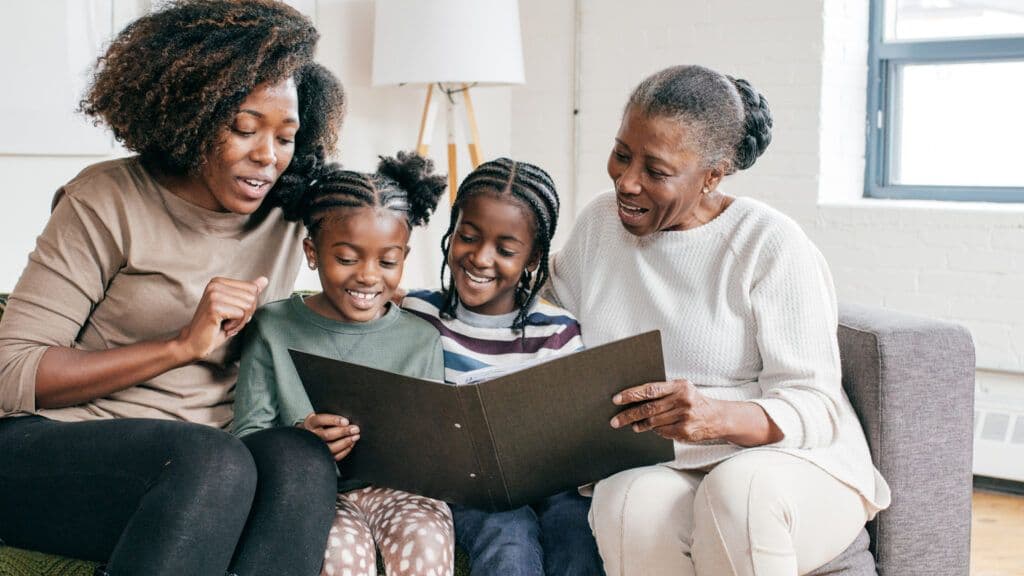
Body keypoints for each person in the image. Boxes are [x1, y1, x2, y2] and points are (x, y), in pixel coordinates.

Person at [0, 2, 346, 575]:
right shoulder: (106, 200)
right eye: (244, 128)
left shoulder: (291, 205)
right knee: (212, 462)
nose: (268, 156)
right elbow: (11, 374)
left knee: (301, 458)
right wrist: (181, 346)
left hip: (211, 463)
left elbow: (375, 243)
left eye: (286, 137)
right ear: (193, 114)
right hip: (57, 448)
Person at [547, 65, 891, 576]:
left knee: (740, 492)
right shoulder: (599, 225)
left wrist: (714, 416)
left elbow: (817, 409)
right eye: (622, 153)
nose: (626, 180)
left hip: (798, 464)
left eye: (656, 171)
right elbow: (546, 315)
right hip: (673, 461)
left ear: (713, 174)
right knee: (624, 499)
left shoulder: (768, 243)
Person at [233, 153, 454, 576]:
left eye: (388, 261)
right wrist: (301, 439)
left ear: (403, 256)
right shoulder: (272, 327)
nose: (369, 276)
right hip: (313, 493)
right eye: (348, 259)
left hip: (399, 491)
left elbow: (432, 448)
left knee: (425, 541)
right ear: (312, 252)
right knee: (337, 552)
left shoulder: (421, 338)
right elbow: (248, 434)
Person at [403, 158, 603, 576]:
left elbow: (578, 433)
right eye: (468, 237)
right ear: (451, 233)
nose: (479, 258)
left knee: (577, 530)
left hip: (550, 484)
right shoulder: (417, 313)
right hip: (465, 489)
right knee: (507, 532)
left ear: (532, 260)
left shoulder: (558, 332)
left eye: (506, 250)